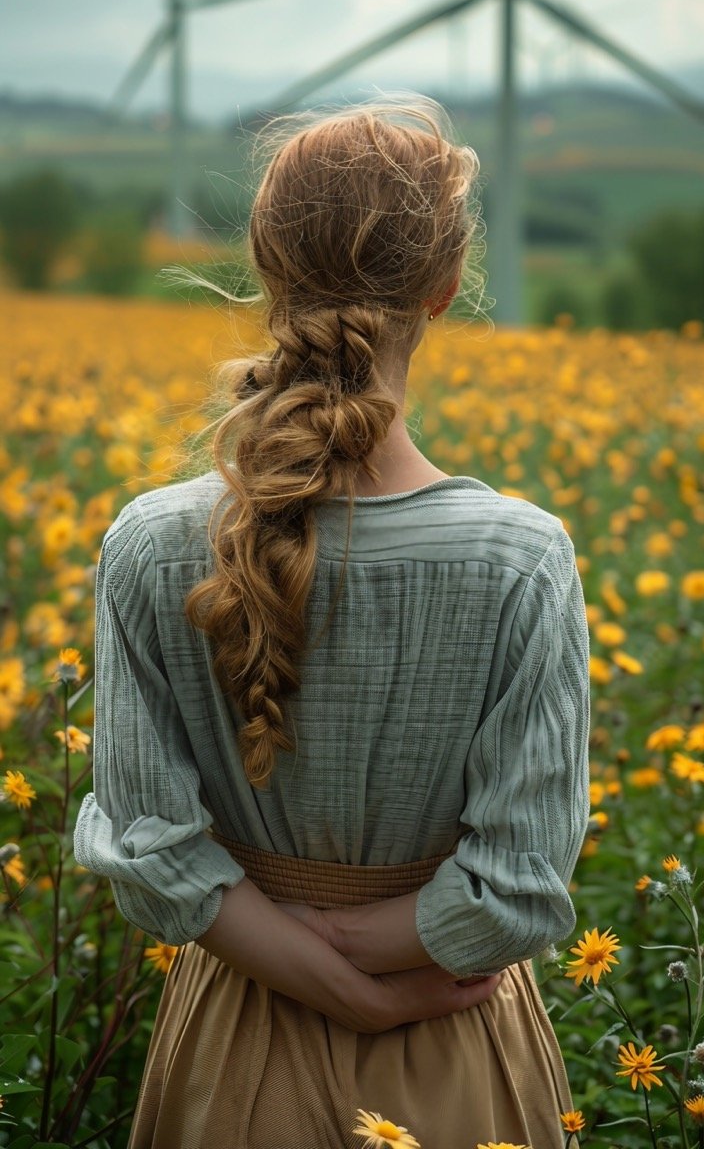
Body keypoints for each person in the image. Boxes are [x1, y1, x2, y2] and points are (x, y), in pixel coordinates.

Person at [73, 94, 591, 1149]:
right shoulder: (522, 560)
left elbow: (147, 849)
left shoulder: (146, 545)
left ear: (267, 272)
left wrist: (302, 955)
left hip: (235, 1040)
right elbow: (517, 893)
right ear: (447, 288)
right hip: (453, 1042)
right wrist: (365, 972)